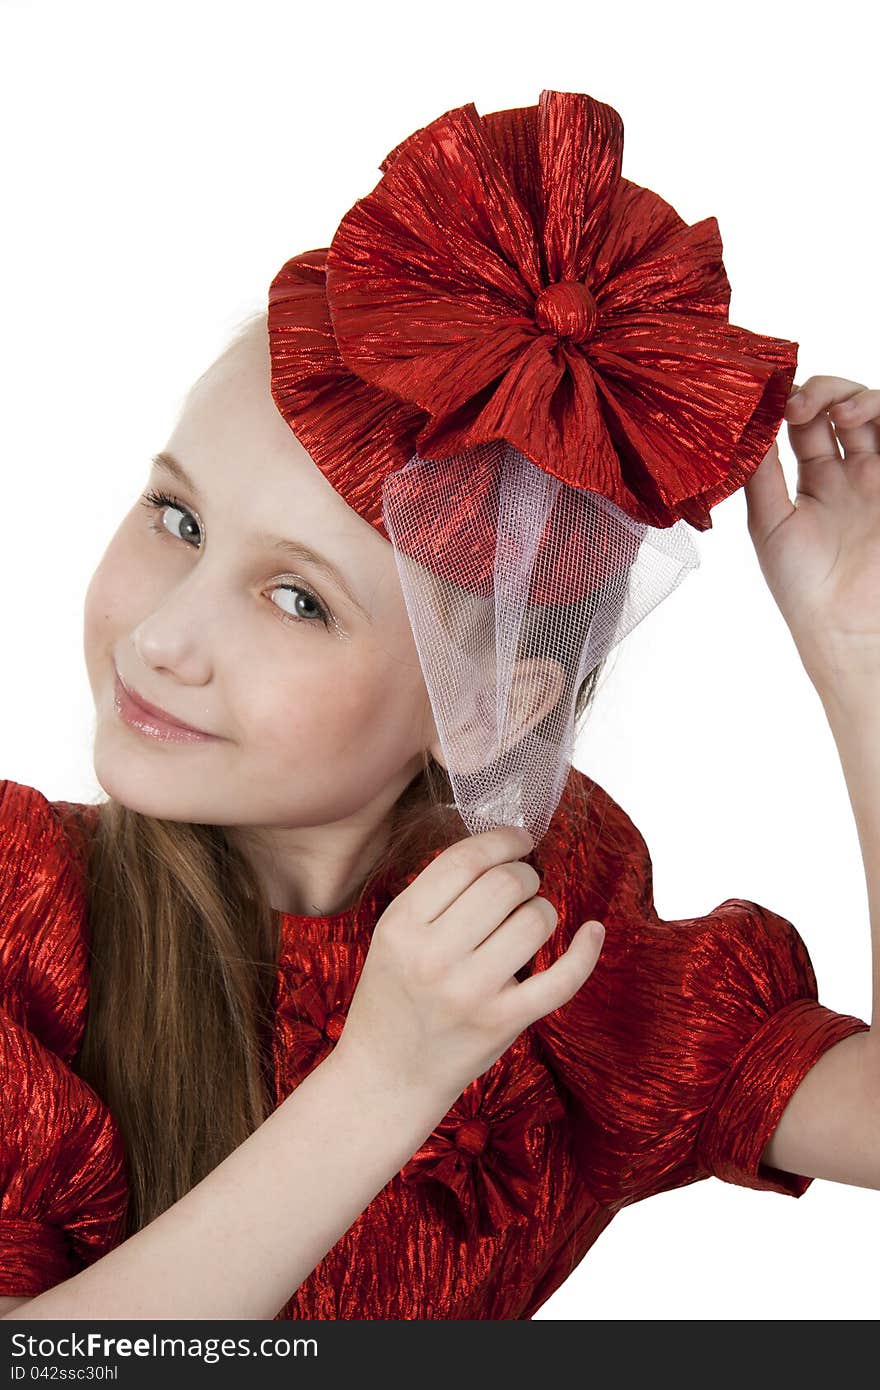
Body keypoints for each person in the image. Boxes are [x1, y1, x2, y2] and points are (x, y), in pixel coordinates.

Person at [2, 90, 879, 1321]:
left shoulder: (548, 946)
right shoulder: (21, 920)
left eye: (297, 601)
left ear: (486, 702)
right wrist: (382, 1081)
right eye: (178, 519)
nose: (161, 637)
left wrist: (862, 655)